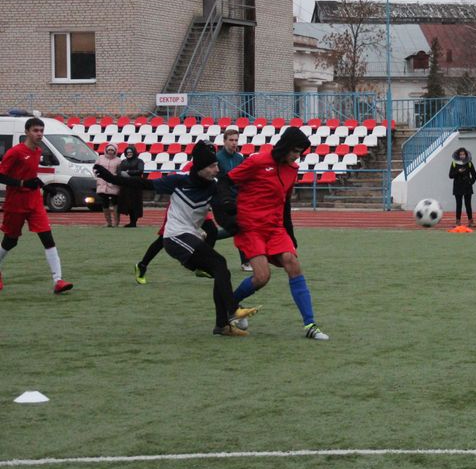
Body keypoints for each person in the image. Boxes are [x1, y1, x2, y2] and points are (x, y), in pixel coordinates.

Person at [94, 141, 259, 336]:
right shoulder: (179, 182)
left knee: (221, 269)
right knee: (219, 264)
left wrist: (239, 220)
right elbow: (143, 183)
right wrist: (111, 178)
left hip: (189, 236)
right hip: (174, 237)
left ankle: (222, 325)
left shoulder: (213, 187)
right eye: (212, 166)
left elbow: (225, 208)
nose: (217, 169)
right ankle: (232, 309)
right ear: (200, 168)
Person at [217, 127, 329, 341]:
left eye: (300, 152)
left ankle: (310, 325)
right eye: (295, 151)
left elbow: (285, 203)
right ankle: (231, 304)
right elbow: (225, 181)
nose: (297, 156)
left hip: (275, 227)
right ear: (285, 146)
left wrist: (290, 232)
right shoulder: (258, 161)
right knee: (262, 277)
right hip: (250, 227)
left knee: (293, 263)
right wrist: (227, 206)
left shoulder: (292, 169)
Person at [0, 117, 72, 294]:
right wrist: (23, 184)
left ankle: (58, 281)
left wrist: (44, 186)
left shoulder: (38, 151)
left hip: (34, 202)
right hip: (15, 203)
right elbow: (2, 177)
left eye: (41, 130)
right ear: (27, 132)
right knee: (10, 241)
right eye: (36, 130)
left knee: (47, 238)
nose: (39, 134)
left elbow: (31, 175)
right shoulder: (15, 152)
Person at [134, 160, 217, 285]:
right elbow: (182, 184)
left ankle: (201, 266)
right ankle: (142, 265)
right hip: (182, 208)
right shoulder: (191, 167)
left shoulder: (213, 167)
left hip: (198, 207)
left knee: (212, 230)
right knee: (163, 239)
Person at [215, 128, 251, 272]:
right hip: (223, 200)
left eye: (236, 140)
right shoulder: (217, 158)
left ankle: (208, 237)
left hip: (237, 198)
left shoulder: (239, 158)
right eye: (231, 140)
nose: (234, 143)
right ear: (224, 141)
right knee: (240, 228)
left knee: (238, 228)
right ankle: (246, 262)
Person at [116, 145, 144, 227]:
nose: (129, 154)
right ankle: (131, 221)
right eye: (127, 152)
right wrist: (122, 173)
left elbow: (140, 170)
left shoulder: (139, 161)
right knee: (127, 203)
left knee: (135, 203)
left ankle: (134, 222)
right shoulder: (124, 161)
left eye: (130, 152)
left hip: (135, 186)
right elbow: (119, 171)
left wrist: (129, 172)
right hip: (126, 186)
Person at [449, 147, 476, 227]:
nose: (462, 156)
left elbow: (474, 175)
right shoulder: (454, 163)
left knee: (468, 204)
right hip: (457, 187)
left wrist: (470, 182)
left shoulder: (469, 163)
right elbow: (450, 175)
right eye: (460, 154)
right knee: (459, 204)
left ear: (466, 155)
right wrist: (458, 171)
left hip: (467, 187)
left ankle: (470, 221)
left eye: (463, 154)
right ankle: (458, 221)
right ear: (458, 155)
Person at [95, 143, 121, 227]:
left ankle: (116, 222)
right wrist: (98, 176)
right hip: (102, 184)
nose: (110, 151)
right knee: (104, 203)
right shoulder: (100, 158)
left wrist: (116, 178)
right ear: (106, 150)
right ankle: (108, 222)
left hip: (113, 184)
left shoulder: (118, 160)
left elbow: (119, 172)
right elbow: (95, 168)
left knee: (115, 203)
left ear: (115, 151)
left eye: (112, 150)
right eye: (109, 150)